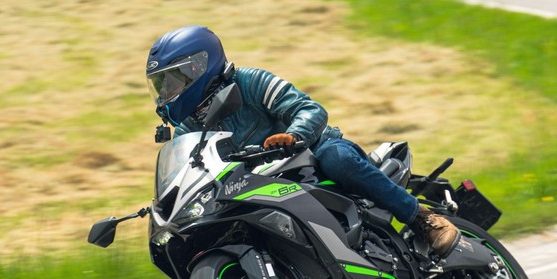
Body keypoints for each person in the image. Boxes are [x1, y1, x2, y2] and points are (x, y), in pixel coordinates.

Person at [145, 25, 461, 257]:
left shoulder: (249, 81)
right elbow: (193, 169)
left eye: (172, 80)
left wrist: (295, 135)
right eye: (160, 84)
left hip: (311, 153)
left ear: (199, 67)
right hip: (258, 186)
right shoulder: (189, 127)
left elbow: (310, 109)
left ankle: (423, 219)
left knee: (336, 159)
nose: (165, 92)